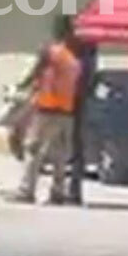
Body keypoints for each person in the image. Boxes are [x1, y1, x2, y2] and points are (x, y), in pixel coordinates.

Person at [14, 16, 83, 205]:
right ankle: (58, 193)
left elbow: (36, 70)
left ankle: (26, 191)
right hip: (66, 112)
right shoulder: (74, 59)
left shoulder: (51, 51)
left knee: (33, 150)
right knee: (60, 155)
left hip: (46, 108)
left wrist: (22, 86)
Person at [66, 42, 97, 205]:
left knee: (71, 149)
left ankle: (72, 191)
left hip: (72, 106)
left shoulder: (79, 63)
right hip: (81, 106)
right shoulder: (90, 63)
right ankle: (74, 191)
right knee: (77, 150)